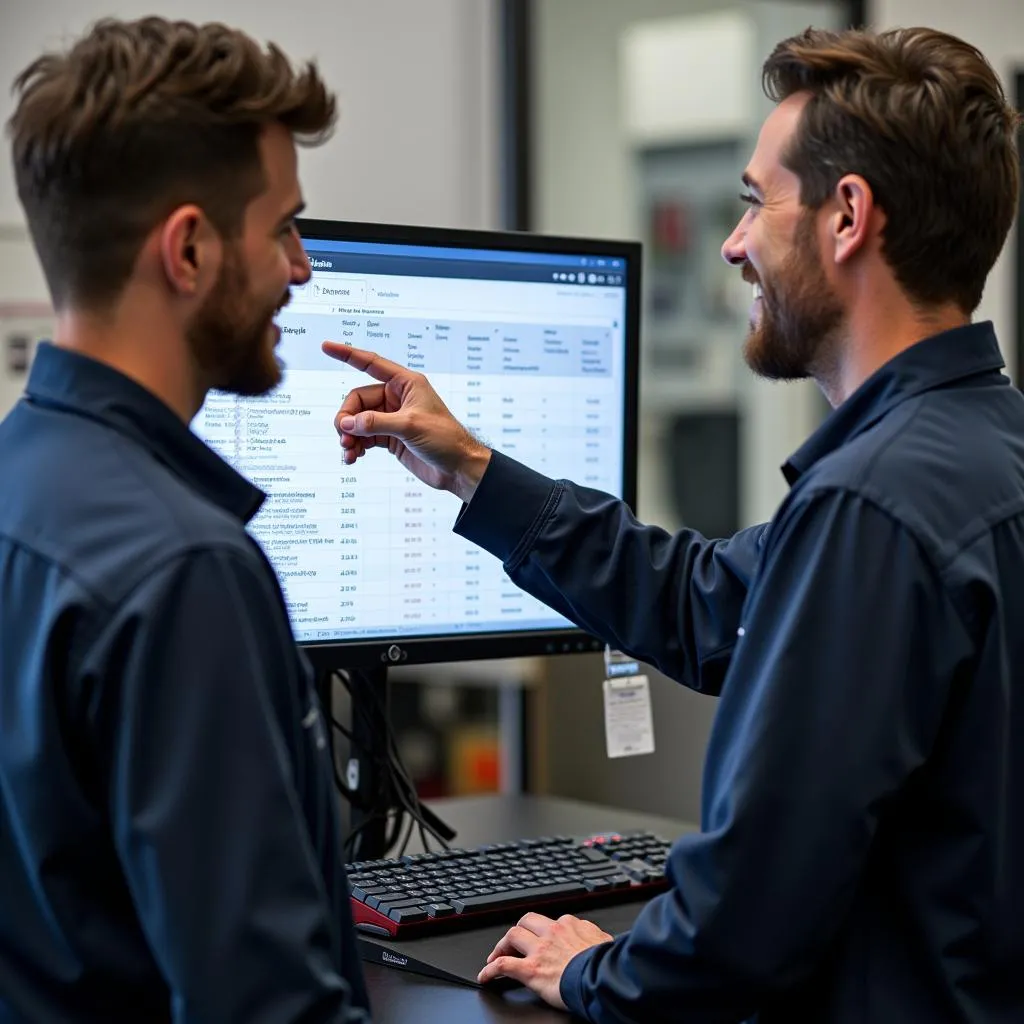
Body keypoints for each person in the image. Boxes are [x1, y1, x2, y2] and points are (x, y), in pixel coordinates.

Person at [322, 25, 1024, 1023]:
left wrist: (587, 968)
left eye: (753, 202)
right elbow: (711, 601)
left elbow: (745, 916)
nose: (734, 244)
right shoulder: (982, 449)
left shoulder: (871, 507)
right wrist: (473, 471)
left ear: (847, 217)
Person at [0, 17, 370, 1023]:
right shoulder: (183, 570)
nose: (300, 267)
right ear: (191, 248)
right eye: (284, 227)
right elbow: (263, 1004)